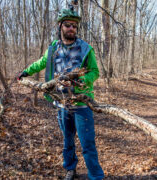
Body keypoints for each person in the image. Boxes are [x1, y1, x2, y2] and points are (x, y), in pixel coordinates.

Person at [18, 7, 104, 180]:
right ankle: (70, 169)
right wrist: (25, 72)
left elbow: (95, 72)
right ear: (60, 26)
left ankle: (95, 176)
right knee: (68, 141)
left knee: (87, 144)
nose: (71, 28)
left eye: (74, 26)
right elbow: (41, 63)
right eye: (67, 25)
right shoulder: (53, 49)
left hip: (81, 104)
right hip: (62, 103)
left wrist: (83, 80)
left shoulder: (85, 48)